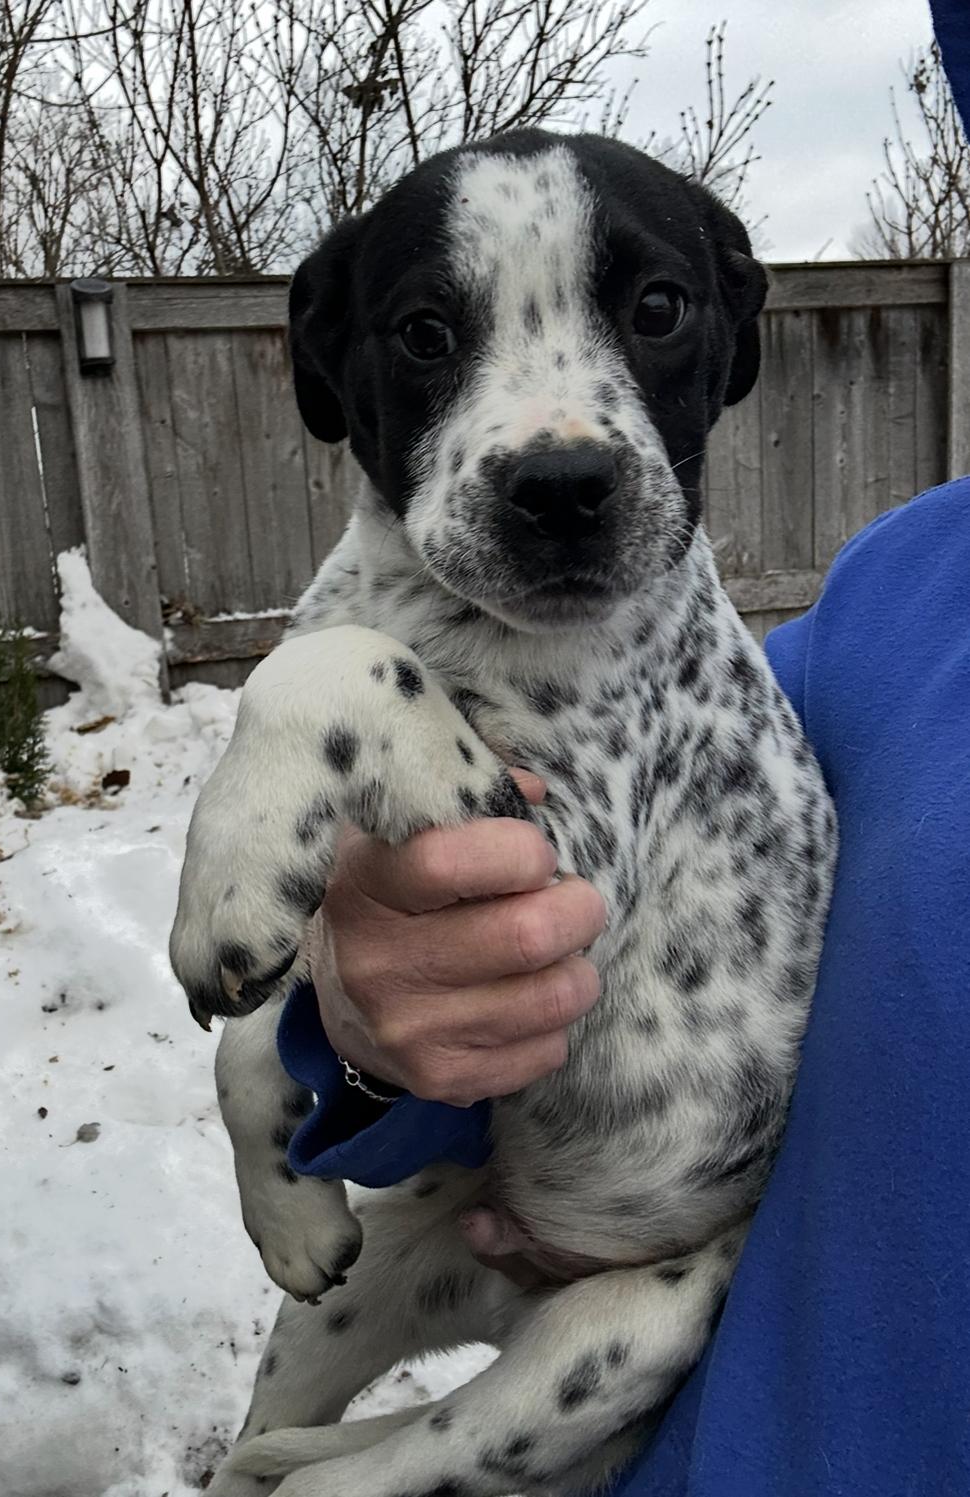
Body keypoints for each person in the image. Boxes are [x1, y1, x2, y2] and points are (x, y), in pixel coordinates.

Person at [275, 9, 970, 1491]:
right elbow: (515, 964)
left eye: (646, 314)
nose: (562, 439)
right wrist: (349, 1030)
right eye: (428, 332)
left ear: (721, 335)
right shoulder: (886, 607)